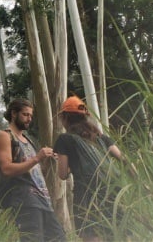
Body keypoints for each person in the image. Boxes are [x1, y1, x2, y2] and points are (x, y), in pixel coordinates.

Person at [0, 98, 66, 242]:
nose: (29, 119)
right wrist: (37, 158)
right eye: (25, 115)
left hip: (43, 200)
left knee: (59, 237)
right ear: (14, 113)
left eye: (31, 116)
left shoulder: (28, 140)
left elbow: (33, 170)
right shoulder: (5, 135)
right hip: (25, 199)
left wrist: (49, 157)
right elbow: (6, 169)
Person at [54, 96, 122, 242]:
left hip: (86, 194)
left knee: (91, 236)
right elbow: (122, 159)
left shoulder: (64, 139)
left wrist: (71, 165)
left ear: (65, 118)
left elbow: (62, 174)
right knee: (115, 234)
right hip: (113, 190)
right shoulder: (101, 138)